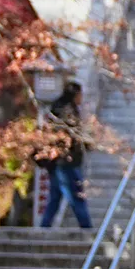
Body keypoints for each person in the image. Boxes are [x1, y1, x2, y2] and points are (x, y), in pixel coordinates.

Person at [37, 78, 91, 231]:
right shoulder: (68, 111)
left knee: (54, 199)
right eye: (80, 94)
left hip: (57, 162)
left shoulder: (59, 109)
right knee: (76, 196)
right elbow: (71, 137)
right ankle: (87, 229)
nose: (82, 97)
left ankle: (44, 227)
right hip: (67, 162)